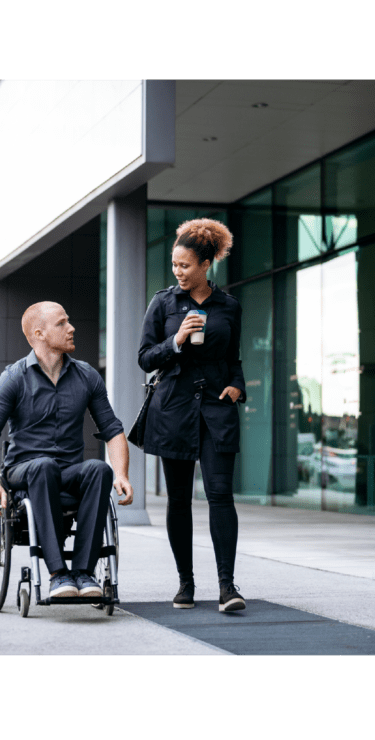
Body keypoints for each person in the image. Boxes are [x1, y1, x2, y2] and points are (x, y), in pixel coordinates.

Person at [0, 301, 133, 600]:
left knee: (99, 469)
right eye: (62, 323)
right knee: (43, 465)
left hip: (68, 470)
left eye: (68, 321)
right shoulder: (14, 377)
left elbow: (112, 429)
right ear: (40, 333)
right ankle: (58, 574)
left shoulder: (87, 376)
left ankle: (84, 573)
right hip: (24, 470)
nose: (71, 328)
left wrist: (121, 473)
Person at [138, 218, 247, 612]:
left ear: (205, 264)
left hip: (218, 410)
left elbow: (233, 357)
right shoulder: (163, 303)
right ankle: (185, 584)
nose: (178, 272)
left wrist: (238, 384)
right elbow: (145, 357)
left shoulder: (229, 306)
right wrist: (176, 340)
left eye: (185, 265)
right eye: (174, 265)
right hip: (174, 412)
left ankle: (227, 587)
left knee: (221, 495)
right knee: (178, 499)